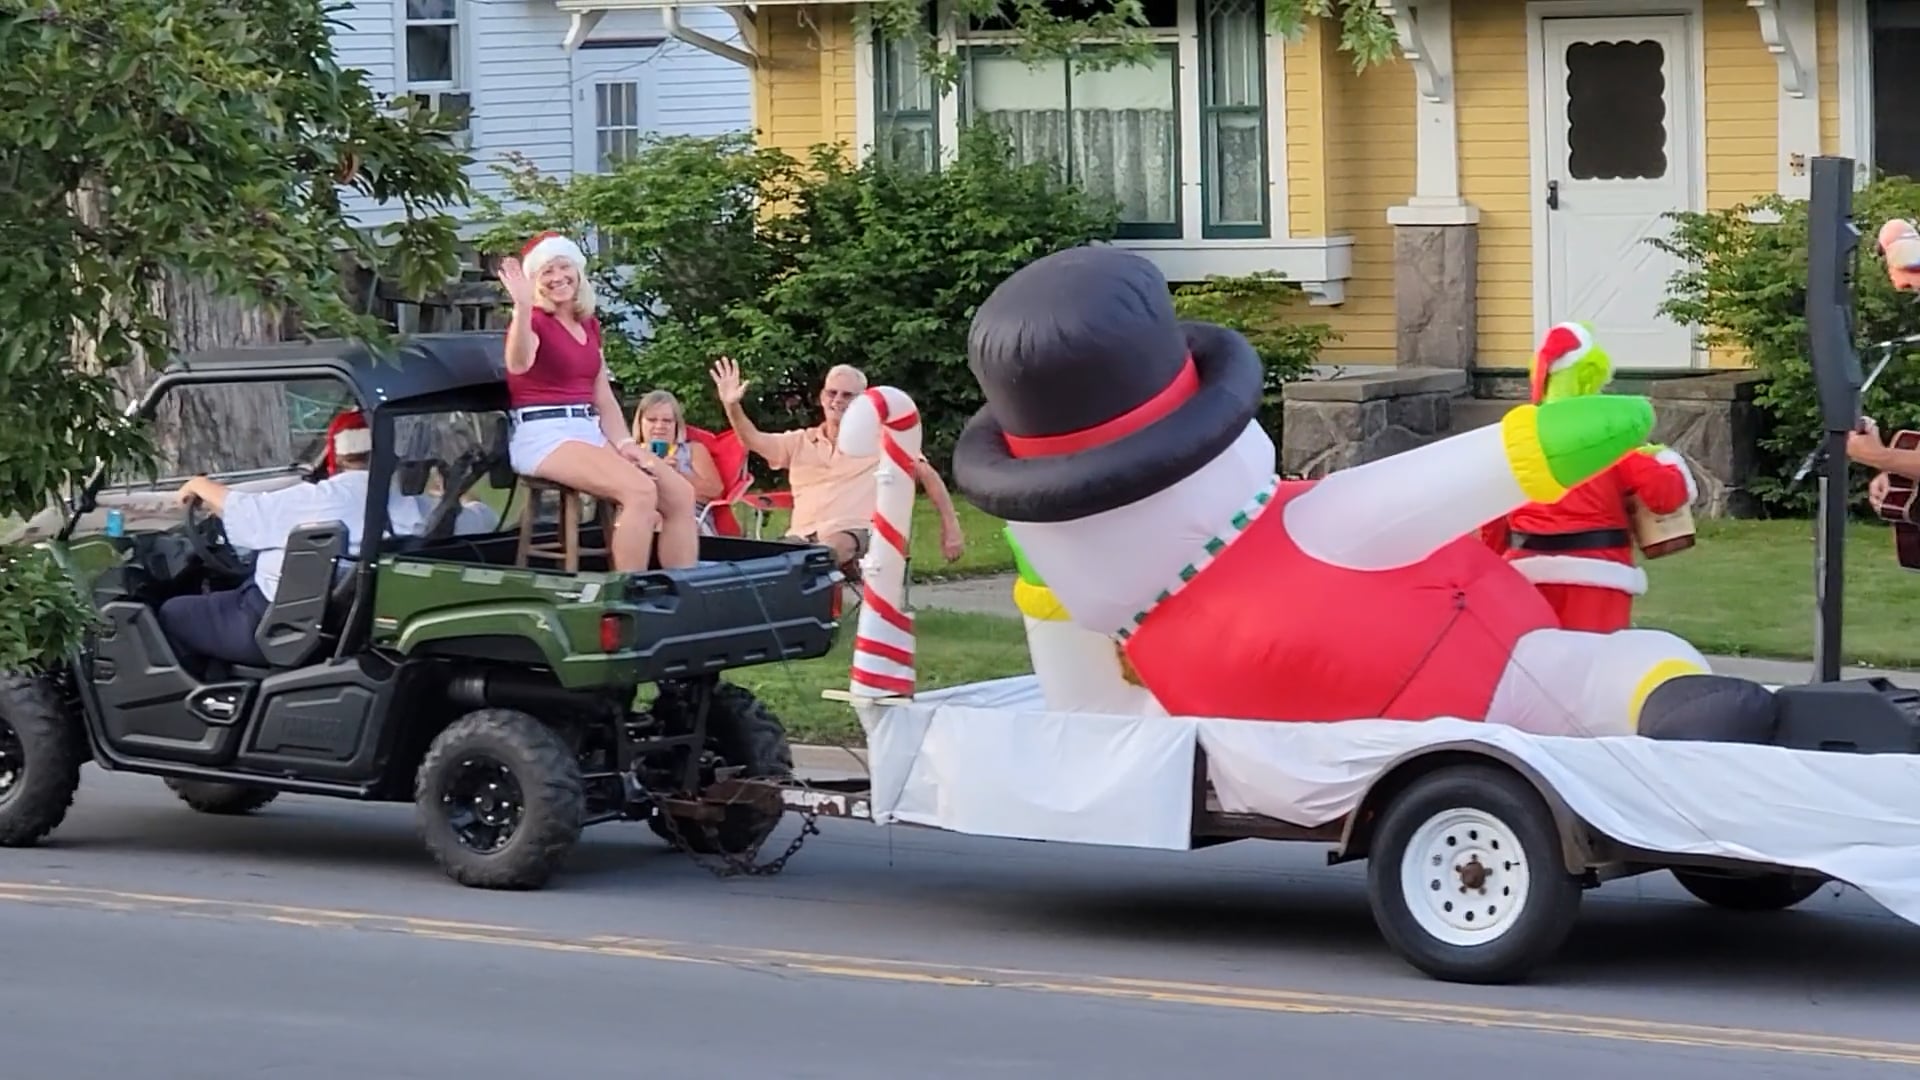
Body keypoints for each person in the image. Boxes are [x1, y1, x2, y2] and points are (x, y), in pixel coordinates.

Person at [496, 231, 699, 572]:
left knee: (679, 494)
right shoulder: (532, 320)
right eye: (546, 271)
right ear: (535, 281)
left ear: (578, 270)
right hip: (545, 433)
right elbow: (518, 363)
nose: (558, 277)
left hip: (587, 428)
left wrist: (623, 442)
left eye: (564, 267)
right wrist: (521, 307)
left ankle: (683, 588)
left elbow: (602, 394)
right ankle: (630, 592)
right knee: (639, 492)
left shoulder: (587, 323)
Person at [1479, 322, 1696, 633]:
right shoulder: (1609, 441)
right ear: (1593, 378)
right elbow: (1666, 497)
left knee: (1534, 664)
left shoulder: (1519, 442)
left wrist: (1496, 562)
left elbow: (1493, 516)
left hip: (1526, 570)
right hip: (1598, 574)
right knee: (1595, 665)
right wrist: (1666, 462)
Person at [158, 411, 378, 674]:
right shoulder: (414, 506)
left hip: (275, 624)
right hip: (341, 624)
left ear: (338, 454)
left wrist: (199, 485)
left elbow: (252, 515)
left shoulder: (325, 498)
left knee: (172, 612)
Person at [709, 357, 965, 569]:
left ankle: (812, 594)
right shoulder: (801, 441)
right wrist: (732, 405)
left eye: (847, 395)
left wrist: (951, 528)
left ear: (863, 402)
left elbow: (927, 475)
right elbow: (752, 439)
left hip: (857, 534)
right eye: (832, 393)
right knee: (767, 562)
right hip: (802, 535)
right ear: (822, 397)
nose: (837, 400)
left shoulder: (884, 440)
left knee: (826, 550)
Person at [632, 389, 726, 510]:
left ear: (676, 424)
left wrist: (676, 475)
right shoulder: (631, 453)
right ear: (640, 423)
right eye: (652, 420)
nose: (660, 426)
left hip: (689, 517)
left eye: (667, 421)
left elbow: (715, 492)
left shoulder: (692, 450)